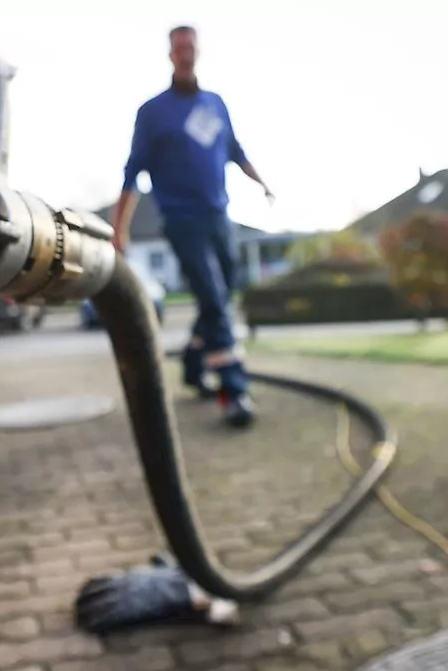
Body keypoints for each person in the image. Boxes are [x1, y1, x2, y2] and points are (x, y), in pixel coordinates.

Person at [110, 24, 274, 428]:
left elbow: (235, 151)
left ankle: (191, 364)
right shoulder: (152, 112)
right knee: (216, 301)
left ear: (197, 51)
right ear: (170, 54)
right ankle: (233, 392)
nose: (185, 53)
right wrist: (120, 228)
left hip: (219, 215)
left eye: (190, 46)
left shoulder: (215, 104)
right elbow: (132, 172)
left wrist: (264, 184)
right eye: (178, 47)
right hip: (181, 221)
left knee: (220, 294)